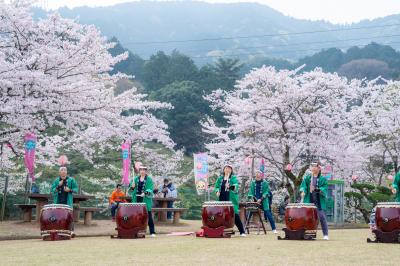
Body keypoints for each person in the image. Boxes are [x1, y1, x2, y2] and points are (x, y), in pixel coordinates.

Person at [299, 161, 329, 240]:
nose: (313, 168)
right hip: (309, 200)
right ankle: (308, 234)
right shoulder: (307, 177)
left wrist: (318, 189)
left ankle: (325, 234)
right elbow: (303, 186)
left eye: (315, 166)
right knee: (307, 218)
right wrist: (303, 191)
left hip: (318, 201)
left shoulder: (323, 179)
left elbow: (325, 188)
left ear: (319, 168)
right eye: (312, 166)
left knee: (322, 217)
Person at [214, 164, 246, 237]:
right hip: (222, 198)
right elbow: (216, 187)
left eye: (229, 169)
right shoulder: (220, 178)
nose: (227, 170)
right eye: (226, 168)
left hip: (231, 198)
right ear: (224, 170)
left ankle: (242, 231)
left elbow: (236, 185)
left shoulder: (233, 178)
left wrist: (231, 186)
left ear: (231, 170)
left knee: (234, 214)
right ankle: (222, 231)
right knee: (222, 215)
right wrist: (217, 191)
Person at [128, 166, 156, 237]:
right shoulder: (135, 179)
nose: (142, 171)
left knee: (148, 215)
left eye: (144, 170)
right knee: (136, 216)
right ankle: (135, 231)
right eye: (141, 170)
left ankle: (152, 232)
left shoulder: (149, 179)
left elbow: (150, 189)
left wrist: (145, 193)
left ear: (146, 171)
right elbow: (130, 191)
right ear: (139, 171)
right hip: (136, 199)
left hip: (145, 199)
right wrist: (132, 187)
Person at [51, 166, 78, 235]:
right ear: (59, 172)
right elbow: (52, 190)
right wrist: (58, 186)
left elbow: (76, 189)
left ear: (66, 172)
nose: (63, 171)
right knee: (57, 216)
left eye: (65, 170)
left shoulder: (71, 180)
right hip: (58, 201)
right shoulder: (56, 180)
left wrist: (70, 190)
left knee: (69, 216)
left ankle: (71, 231)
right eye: (62, 170)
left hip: (68, 201)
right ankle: (58, 231)